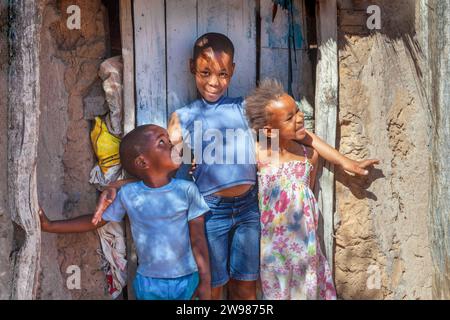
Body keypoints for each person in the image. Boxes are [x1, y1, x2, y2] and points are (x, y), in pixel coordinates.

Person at [97, 32, 378, 300]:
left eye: (222, 74)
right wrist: (119, 185)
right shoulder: (183, 117)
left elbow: (303, 136)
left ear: (233, 69)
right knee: (215, 287)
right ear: (191, 67)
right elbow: (160, 165)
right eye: (205, 73)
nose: (214, 82)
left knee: (246, 287)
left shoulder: (244, 108)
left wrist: (347, 162)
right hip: (210, 211)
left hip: (249, 210)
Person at [39, 125, 211, 300]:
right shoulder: (129, 194)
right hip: (149, 282)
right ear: (143, 162)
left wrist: (205, 281)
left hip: (188, 278)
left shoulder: (187, 190)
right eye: (162, 142)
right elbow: (97, 221)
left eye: (168, 140)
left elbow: (198, 238)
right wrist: (50, 225)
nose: (171, 145)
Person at [246, 79, 377, 299]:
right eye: (290, 117)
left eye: (298, 111)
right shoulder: (260, 154)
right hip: (274, 253)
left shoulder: (309, 156)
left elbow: (309, 143)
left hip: (306, 250)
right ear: (269, 131)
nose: (299, 118)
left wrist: (346, 162)